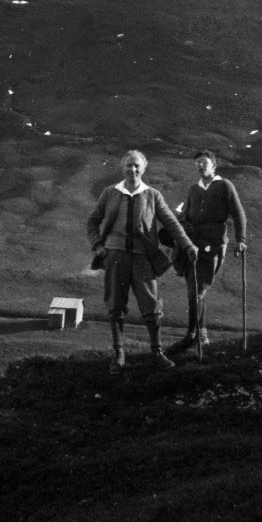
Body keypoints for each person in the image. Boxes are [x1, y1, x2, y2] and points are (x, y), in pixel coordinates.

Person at [87, 150, 198, 375]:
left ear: (144, 168)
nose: (133, 170)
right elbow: (92, 221)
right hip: (115, 257)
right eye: (129, 165)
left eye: (137, 166)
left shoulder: (152, 195)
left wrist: (187, 245)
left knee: (151, 304)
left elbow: (171, 222)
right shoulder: (110, 193)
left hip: (142, 258)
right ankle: (118, 354)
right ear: (122, 167)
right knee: (116, 306)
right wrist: (99, 246)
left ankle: (156, 352)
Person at [168, 150, 247, 356]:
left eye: (204, 162)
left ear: (214, 165)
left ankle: (193, 336)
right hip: (192, 244)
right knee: (193, 289)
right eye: (198, 163)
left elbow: (238, 214)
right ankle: (200, 336)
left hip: (212, 245)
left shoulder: (224, 186)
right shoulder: (194, 189)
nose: (200, 166)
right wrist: (183, 226)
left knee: (198, 290)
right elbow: (186, 215)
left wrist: (241, 240)